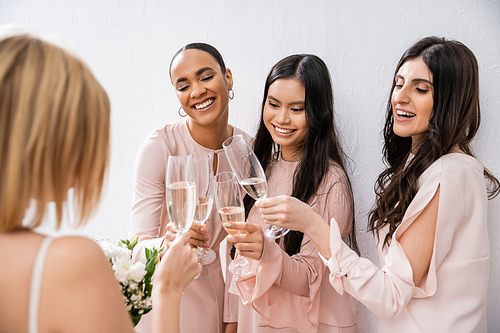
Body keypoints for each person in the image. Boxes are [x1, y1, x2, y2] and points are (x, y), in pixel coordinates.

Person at [256, 37, 500, 332]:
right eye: (399, 84)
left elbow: (390, 295)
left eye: (420, 89)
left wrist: (313, 225)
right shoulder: (430, 168)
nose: (401, 97)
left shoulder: (448, 176)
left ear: (450, 100)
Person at [0, 31, 201, 333]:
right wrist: (167, 289)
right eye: (84, 135)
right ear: (40, 137)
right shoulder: (67, 263)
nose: (90, 158)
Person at [223, 54, 359, 332]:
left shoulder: (331, 182)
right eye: (273, 104)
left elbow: (308, 279)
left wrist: (265, 251)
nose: (281, 118)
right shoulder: (261, 170)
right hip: (256, 320)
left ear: (317, 114)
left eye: (296, 109)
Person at [129, 42, 250, 333]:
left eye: (206, 77)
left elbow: (240, 249)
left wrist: (232, 317)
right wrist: (165, 243)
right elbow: (136, 245)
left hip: (215, 297)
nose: (196, 91)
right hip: (165, 296)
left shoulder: (247, 150)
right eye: (183, 86)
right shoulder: (159, 146)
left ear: (228, 77)